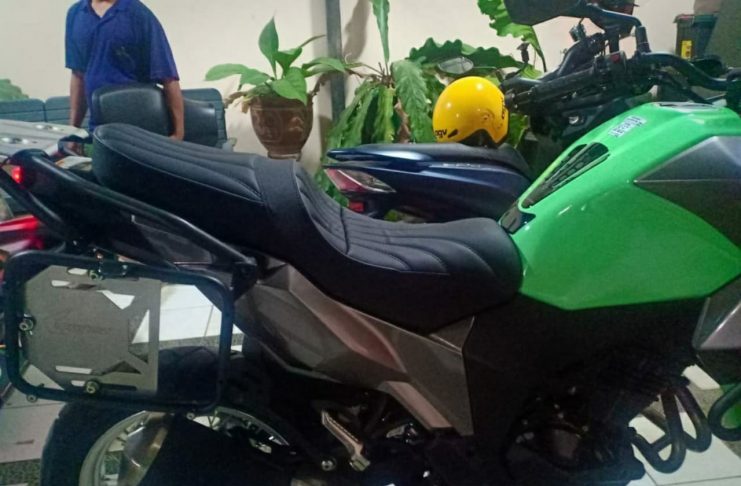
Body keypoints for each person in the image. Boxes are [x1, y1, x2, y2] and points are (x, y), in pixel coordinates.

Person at [65, 0, 185, 141]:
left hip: (141, 127)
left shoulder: (138, 13)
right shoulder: (76, 14)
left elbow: (168, 76)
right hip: (100, 128)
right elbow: (78, 75)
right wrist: (73, 131)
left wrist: (178, 133)